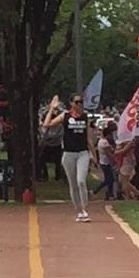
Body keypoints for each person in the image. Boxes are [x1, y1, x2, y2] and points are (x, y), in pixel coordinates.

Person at [43, 93, 97, 222]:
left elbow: (88, 138)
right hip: (68, 153)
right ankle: (78, 210)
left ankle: (84, 209)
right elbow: (47, 124)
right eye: (77, 102)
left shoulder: (85, 117)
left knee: (81, 181)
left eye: (81, 102)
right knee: (73, 184)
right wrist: (51, 108)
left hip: (82, 153)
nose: (79, 104)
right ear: (71, 103)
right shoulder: (65, 116)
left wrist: (94, 156)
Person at [92, 123, 117, 200]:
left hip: (104, 162)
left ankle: (109, 194)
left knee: (110, 179)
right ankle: (95, 191)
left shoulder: (101, 141)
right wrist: (114, 161)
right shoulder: (104, 143)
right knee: (108, 180)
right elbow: (109, 154)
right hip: (106, 163)